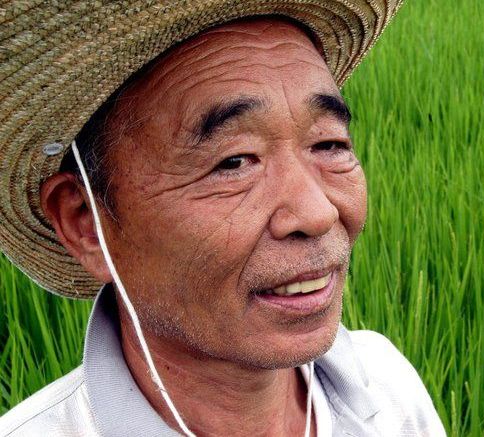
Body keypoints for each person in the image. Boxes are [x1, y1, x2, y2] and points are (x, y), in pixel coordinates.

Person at [0, 1, 445, 436]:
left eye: (329, 144)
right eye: (233, 162)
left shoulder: (388, 388)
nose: (318, 212)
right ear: (86, 223)